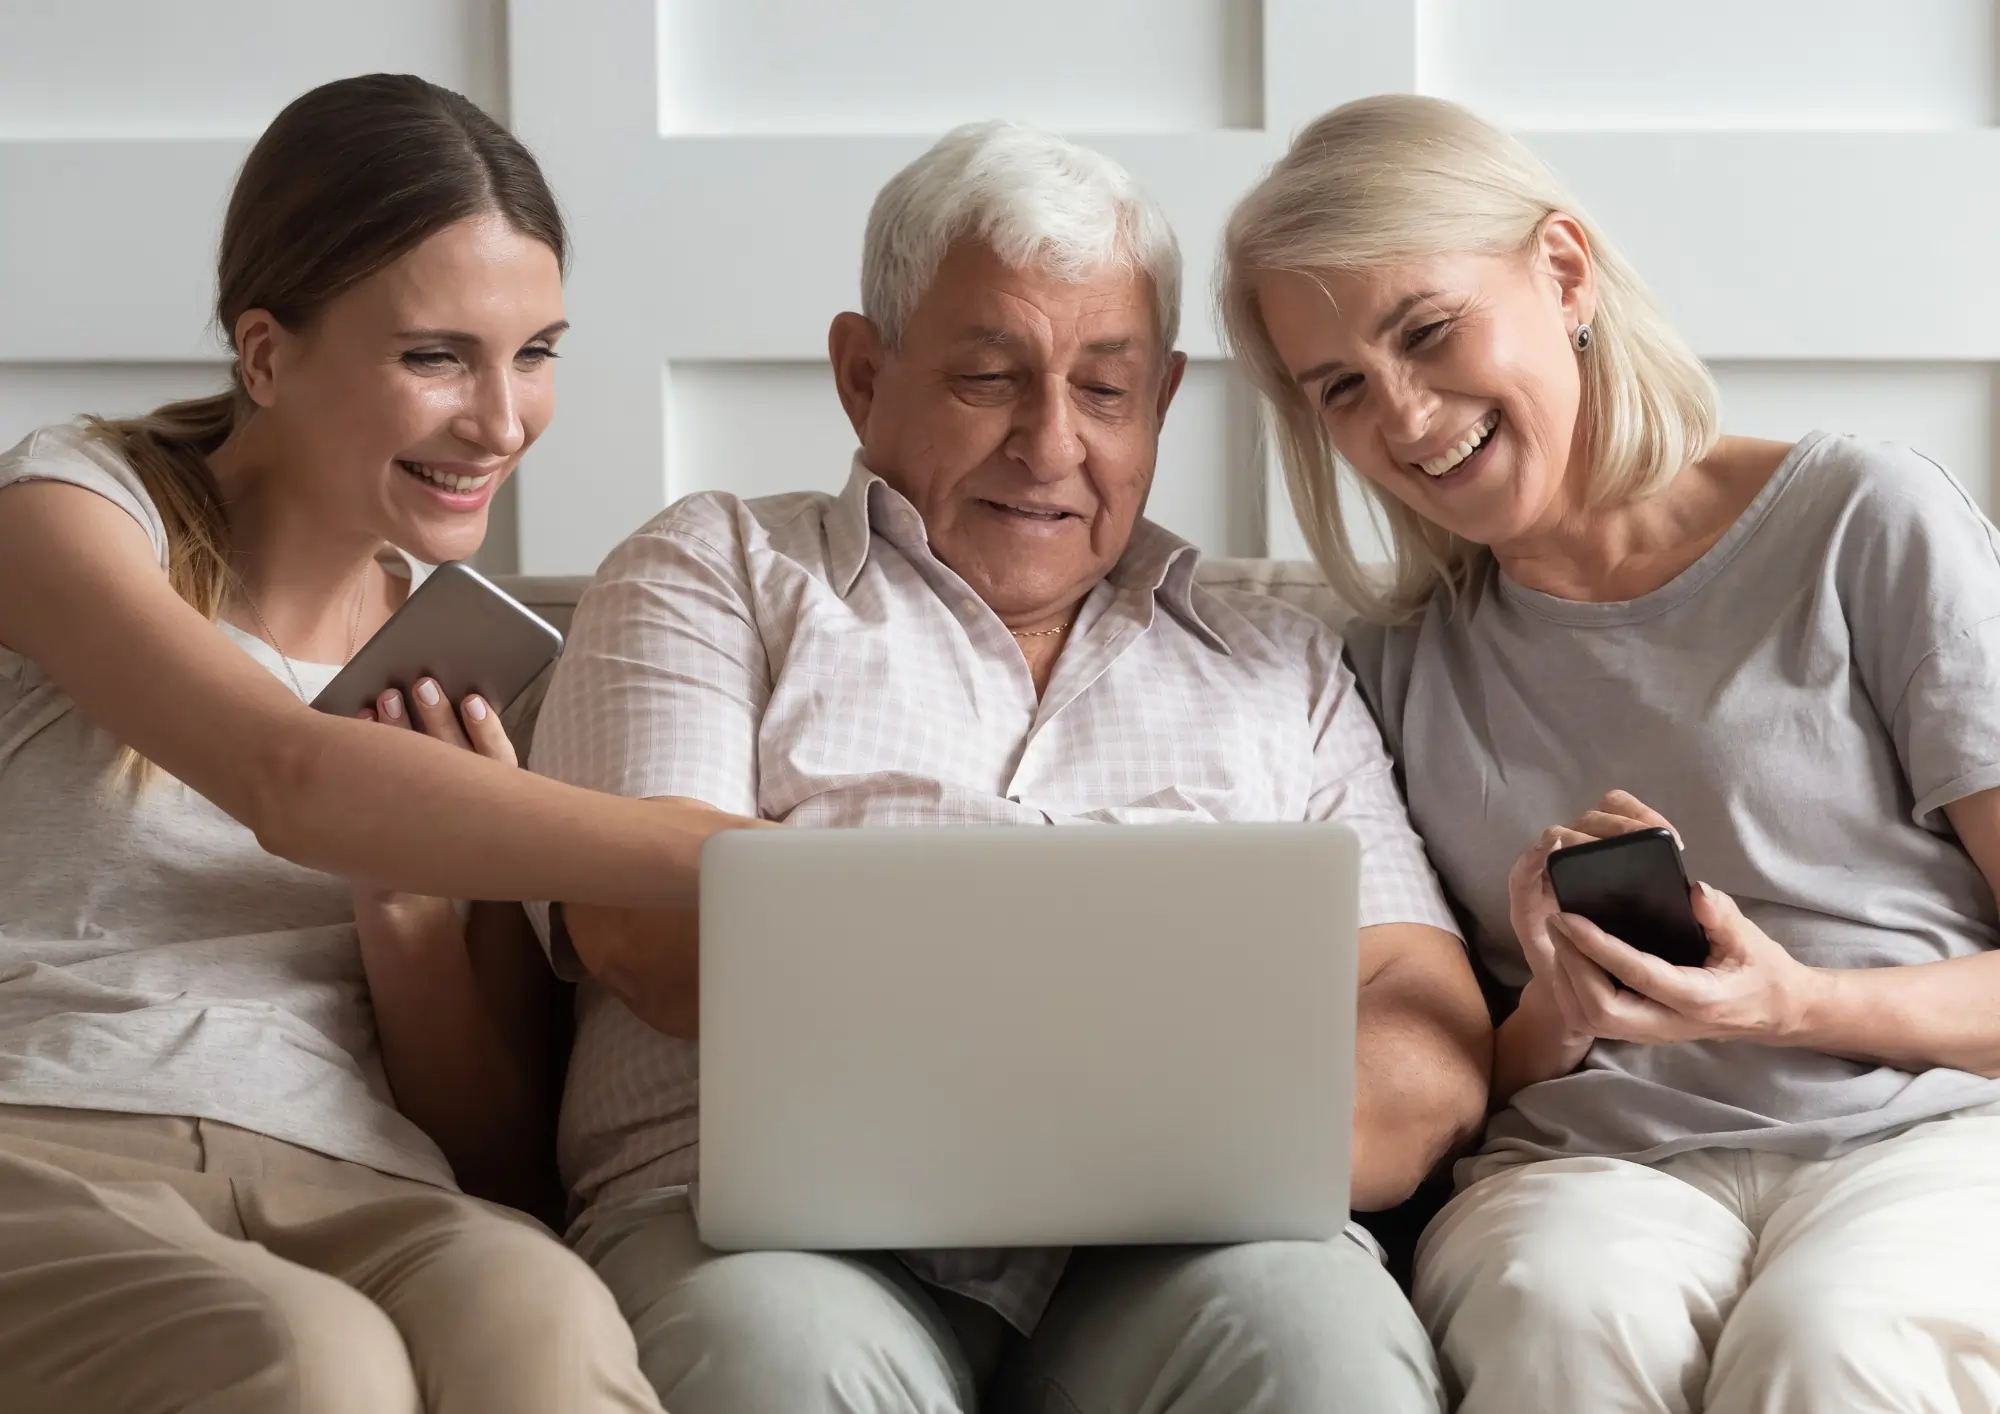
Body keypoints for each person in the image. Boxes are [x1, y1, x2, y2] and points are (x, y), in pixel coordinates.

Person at [526, 119, 1492, 1414]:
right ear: (863, 375)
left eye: (1105, 388)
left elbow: (1425, 1032)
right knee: (776, 1359)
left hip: (1177, 1241)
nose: (1050, 444)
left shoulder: (1280, 665)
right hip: (767, 1234)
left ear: (1161, 397)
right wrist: (1152, 1056)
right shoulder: (715, 572)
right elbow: (647, 926)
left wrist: (1148, 1131)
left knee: (1323, 1341)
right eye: (990, 377)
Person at [1220, 92, 2000, 1413]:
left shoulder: (1862, 522)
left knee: (1835, 1340)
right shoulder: (1393, 661)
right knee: (1557, 1311)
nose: (1405, 419)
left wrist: (1790, 1000)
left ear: (1562, 270)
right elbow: (1456, 1068)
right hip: (1586, 1173)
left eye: (1428, 331)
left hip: (1919, 1138)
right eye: (1344, 387)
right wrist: (1553, 1016)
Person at [0, 73, 761, 1414]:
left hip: (358, 1177)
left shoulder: (477, 670)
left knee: (545, 1313)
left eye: (535, 352)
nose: (502, 417)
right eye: (436, 356)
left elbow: (499, 1155)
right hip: (57, 1146)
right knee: (313, 1361)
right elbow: (289, 774)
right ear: (268, 354)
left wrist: (411, 923)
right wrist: (739, 856)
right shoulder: (69, 513)